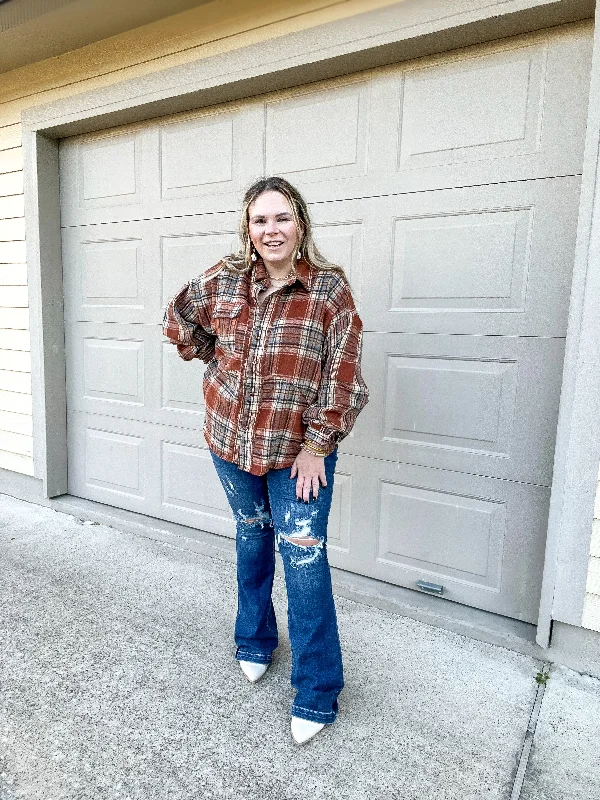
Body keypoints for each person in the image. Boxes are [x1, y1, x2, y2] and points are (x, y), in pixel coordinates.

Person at [163, 176, 369, 744]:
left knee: (303, 564)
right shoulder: (225, 280)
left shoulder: (329, 291)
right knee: (251, 539)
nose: (270, 230)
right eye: (260, 220)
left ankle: (318, 688)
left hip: (297, 456)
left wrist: (318, 445)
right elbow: (179, 318)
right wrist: (218, 360)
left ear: (300, 223)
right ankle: (254, 640)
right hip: (230, 444)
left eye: (281, 218)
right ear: (246, 229)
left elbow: (344, 377)